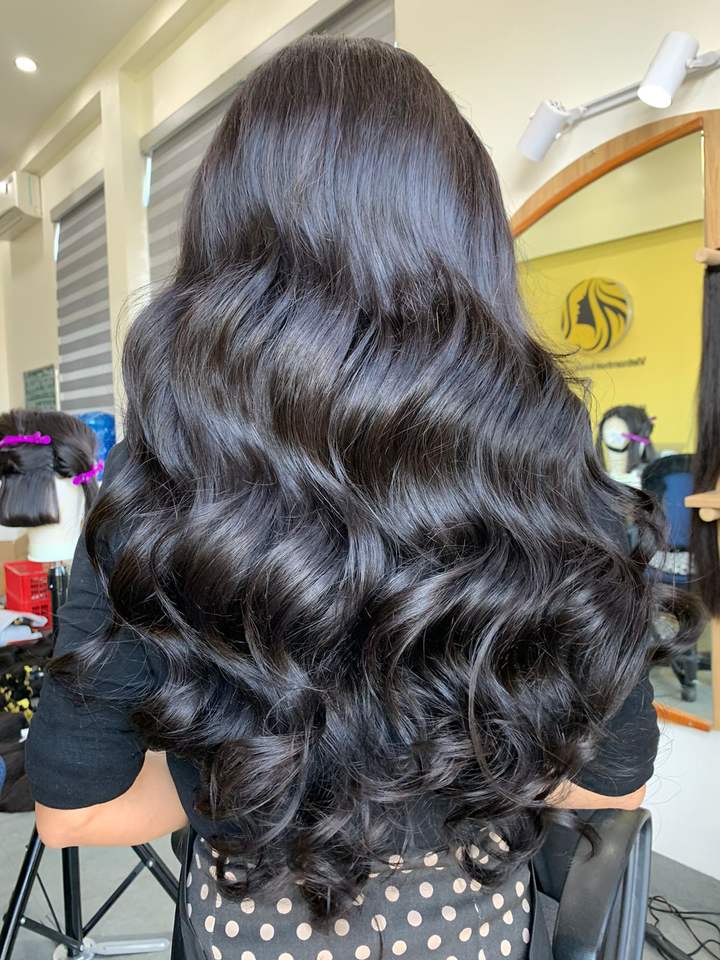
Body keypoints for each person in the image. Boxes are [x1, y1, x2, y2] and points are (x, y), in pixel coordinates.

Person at [25, 35, 699, 960]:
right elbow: (612, 786)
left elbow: (74, 811)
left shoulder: (160, 505)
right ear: (468, 243)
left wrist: (240, 783)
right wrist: (458, 776)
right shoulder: (557, 501)